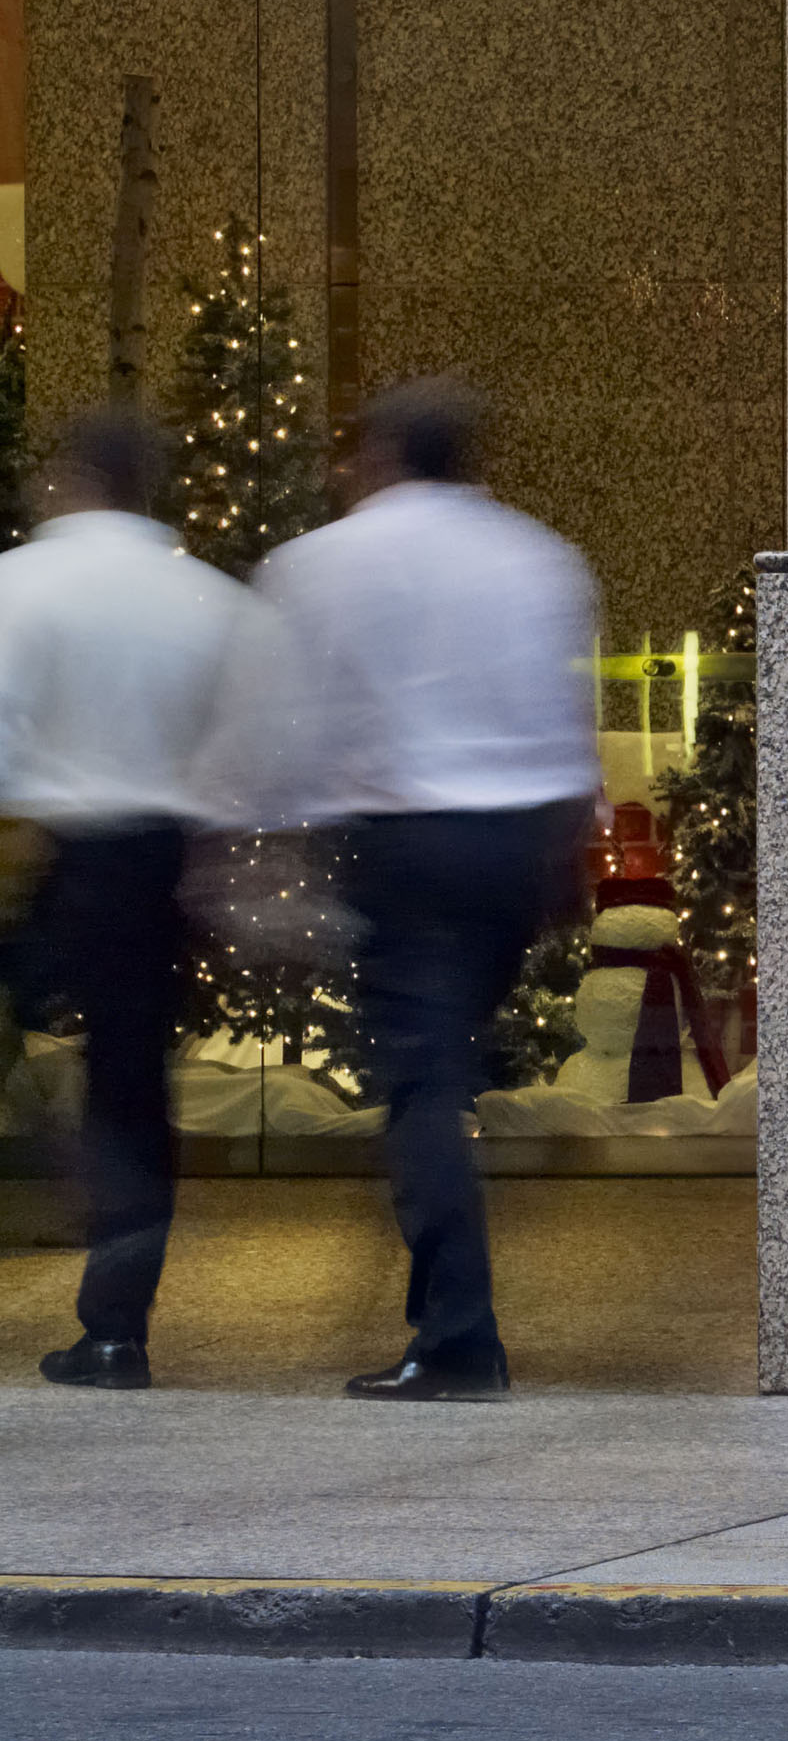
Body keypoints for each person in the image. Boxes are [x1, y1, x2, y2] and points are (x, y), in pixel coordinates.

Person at [199, 384, 595, 1401]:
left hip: (407, 843)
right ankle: (453, 1301)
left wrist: (251, 847)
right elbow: (563, 720)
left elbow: (285, 716)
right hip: (517, 841)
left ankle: (459, 1334)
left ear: (378, 454)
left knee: (420, 1082)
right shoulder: (539, 557)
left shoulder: (324, 563)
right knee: (445, 1064)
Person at [0, 403, 245, 1389]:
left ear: (69, 479)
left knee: (81, 1072)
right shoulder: (207, 600)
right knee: (134, 1086)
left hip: (50, 853)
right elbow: (249, 746)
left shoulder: (23, 583)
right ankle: (115, 1329)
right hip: (158, 862)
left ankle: (78, 1190)